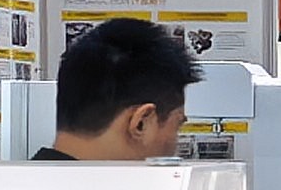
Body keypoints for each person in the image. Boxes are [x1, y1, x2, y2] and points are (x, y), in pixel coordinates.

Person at [38, 16, 196, 162]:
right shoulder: (103, 185)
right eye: (177, 126)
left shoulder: (26, 179)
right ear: (141, 123)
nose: (176, 146)